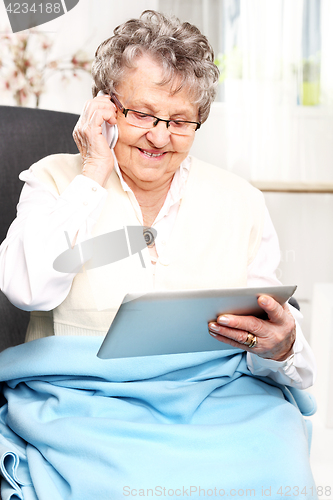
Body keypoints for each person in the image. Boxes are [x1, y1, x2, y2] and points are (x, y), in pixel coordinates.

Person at [0, 10, 317, 500]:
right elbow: (27, 291)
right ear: (104, 107)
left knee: (276, 460)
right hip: (84, 402)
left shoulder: (242, 201)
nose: (161, 136)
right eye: (143, 114)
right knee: (136, 486)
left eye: (180, 121)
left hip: (215, 399)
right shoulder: (55, 181)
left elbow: (269, 334)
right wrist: (92, 175)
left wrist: (282, 345)